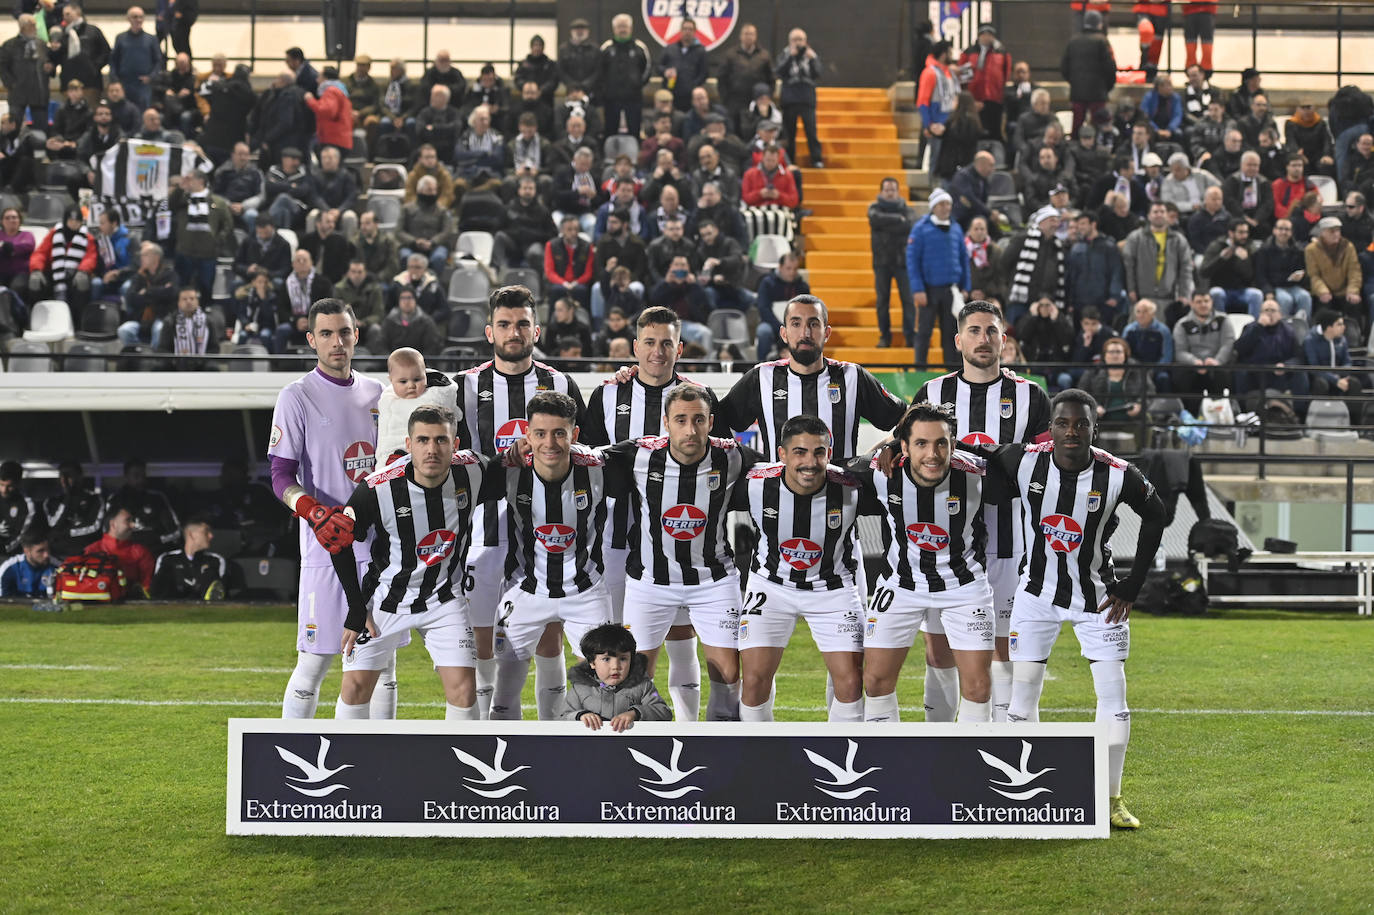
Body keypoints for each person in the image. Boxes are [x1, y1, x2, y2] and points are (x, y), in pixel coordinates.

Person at [983, 388, 1165, 830]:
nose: (1071, 431)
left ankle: (1111, 798)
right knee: (1021, 699)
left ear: (1093, 428)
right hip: (1034, 597)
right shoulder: (1024, 460)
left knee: (1115, 700)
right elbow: (985, 459)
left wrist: (1134, 584)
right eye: (1063, 423)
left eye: (1081, 424)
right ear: (1051, 427)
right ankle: (1019, 796)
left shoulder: (1118, 474)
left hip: (1098, 600)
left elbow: (1157, 513)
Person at [455, 285, 584, 719]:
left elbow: (588, 451)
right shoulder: (465, 386)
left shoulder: (561, 382)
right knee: (485, 638)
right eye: (506, 325)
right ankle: (488, 735)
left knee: (548, 635)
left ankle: (554, 736)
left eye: (522, 324)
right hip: (486, 532)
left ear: (536, 329)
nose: (514, 332)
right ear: (490, 331)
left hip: (546, 530)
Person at [269, 298, 399, 720]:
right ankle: (287, 761)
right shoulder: (297, 396)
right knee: (314, 663)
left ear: (356, 335)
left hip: (381, 549)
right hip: (326, 549)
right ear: (311, 341)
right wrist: (312, 510)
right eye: (326, 334)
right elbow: (280, 474)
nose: (336, 342)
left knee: (383, 667)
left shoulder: (381, 392)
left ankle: (380, 765)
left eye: (344, 332)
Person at [599, 384, 759, 722]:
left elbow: (783, 471)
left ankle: (719, 751)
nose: (691, 429)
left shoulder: (733, 456)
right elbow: (585, 457)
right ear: (666, 423)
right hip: (650, 582)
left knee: (729, 675)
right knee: (632, 680)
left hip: (714, 580)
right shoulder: (639, 455)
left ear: (711, 422)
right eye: (681, 420)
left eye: (699, 419)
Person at [580, 306, 705, 717]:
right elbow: (590, 464)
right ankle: (614, 724)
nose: (657, 351)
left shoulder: (697, 398)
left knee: (682, 639)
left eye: (666, 342)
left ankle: (688, 730)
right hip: (615, 539)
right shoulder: (607, 394)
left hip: (678, 541)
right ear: (635, 347)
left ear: (679, 348)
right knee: (617, 645)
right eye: (649, 343)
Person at [333, 404, 495, 720]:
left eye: (440, 440)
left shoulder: (474, 470)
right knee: (354, 689)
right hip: (384, 600)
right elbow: (337, 542)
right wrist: (355, 608)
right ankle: (350, 767)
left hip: (444, 599)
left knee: (464, 691)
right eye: (422, 440)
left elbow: (511, 469)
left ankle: (460, 767)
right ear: (409, 445)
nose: (431, 449)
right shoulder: (376, 489)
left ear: (456, 445)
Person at [851, 403, 998, 723]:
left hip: (964, 587)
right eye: (921, 443)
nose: (932, 453)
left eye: (941, 443)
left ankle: (964, 768)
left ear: (953, 444)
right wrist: (887, 444)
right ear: (903, 446)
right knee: (875, 681)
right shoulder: (880, 470)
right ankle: (885, 765)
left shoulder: (980, 472)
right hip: (900, 585)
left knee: (978, 686)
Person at [726, 415, 865, 721]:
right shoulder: (754, 483)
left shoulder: (853, 486)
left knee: (852, 682)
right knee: (753, 681)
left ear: (829, 453)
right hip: (771, 587)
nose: (810, 462)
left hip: (832, 589)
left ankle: (842, 758)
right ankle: (760, 758)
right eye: (800, 452)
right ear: (782, 454)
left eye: (819, 452)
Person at [721, 295, 908, 464]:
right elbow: (717, 421)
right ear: (783, 333)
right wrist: (750, 462)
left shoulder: (852, 376)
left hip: (840, 497)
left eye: (813, 324)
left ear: (826, 333)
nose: (805, 333)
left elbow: (907, 419)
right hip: (775, 498)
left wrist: (881, 452)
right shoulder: (761, 377)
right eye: (796, 324)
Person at [906, 188, 971, 368]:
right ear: (934, 207)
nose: (946, 208)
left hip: (951, 290)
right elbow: (912, 261)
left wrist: (966, 286)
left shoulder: (956, 228)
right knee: (924, 332)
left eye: (948, 204)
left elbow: (964, 259)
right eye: (942, 204)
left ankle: (952, 372)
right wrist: (918, 289)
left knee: (951, 333)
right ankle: (920, 370)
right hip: (928, 289)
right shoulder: (920, 229)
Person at [562, 623, 672, 729]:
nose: (615, 666)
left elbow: (663, 711)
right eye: (606, 659)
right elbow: (563, 717)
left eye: (623, 659)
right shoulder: (580, 689)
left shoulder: (643, 686)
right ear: (592, 662)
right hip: (592, 745)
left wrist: (635, 713)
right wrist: (580, 715)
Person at [868, 177, 917, 350]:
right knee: (882, 301)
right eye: (887, 189)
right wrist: (898, 220)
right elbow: (875, 220)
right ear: (881, 191)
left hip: (902, 262)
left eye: (893, 189)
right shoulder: (874, 208)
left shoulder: (908, 211)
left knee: (908, 301)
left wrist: (887, 224)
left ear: (898, 191)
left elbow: (909, 226)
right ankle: (884, 336)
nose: (890, 192)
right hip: (881, 262)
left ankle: (910, 337)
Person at [169, 168, 233, 298]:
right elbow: (170, 204)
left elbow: (227, 224)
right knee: (182, 286)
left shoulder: (217, 202)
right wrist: (180, 187)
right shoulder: (182, 199)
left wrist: (217, 240)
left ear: (201, 181)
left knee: (206, 287)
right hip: (185, 251)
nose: (187, 181)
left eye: (190, 178)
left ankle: (205, 312)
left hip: (208, 253)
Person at [1234, 297, 1308, 405]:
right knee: (1240, 371)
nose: (1269, 314)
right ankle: (1242, 414)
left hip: (1277, 374)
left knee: (1300, 374)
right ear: (1260, 314)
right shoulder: (1250, 327)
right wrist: (1259, 327)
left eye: (1273, 311)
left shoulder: (1288, 332)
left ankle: (1300, 415)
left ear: (1280, 314)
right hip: (1254, 373)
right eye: (1266, 311)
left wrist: (1285, 365)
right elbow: (1239, 348)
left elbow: (1298, 357)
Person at [1124, 201, 1195, 312]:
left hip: (1169, 296)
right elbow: (1129, 266)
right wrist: (1131, 289)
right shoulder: (1135, 238)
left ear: (1167, 215)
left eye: (1162, 211)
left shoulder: (1178, 240)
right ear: (1148, 216)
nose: (1159, 214)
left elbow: (1186, 268)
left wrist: (1184, 294)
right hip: (1142, 296)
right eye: (1155, 212)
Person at [1002, 206, 1065, 327]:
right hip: (1020, 299)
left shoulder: (1057, 246)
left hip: (1045, 302)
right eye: (1052, 220)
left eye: (1057, 220)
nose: (1056, 224)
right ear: (1041, 221)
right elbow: (1005, 263)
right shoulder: (1023, 239)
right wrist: (1009, 284)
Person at [1172, 290, 1235, 411]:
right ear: (1192, 303)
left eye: (1206, 301)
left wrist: (1217, 361)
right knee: (1181, 376)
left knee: (1224, 374)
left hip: (1217, 366)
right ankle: (1191, 418)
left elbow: (1227, 345)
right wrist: (1195, 362)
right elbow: (1180, 351)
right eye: (1199, 302)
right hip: (1193, 366)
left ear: (1211, 302)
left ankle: (1220, 418)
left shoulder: (1224, 320)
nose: (1203, 305)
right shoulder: (1182, 324)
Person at [1066, 211, 1127, 327]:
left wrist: (1114, 296)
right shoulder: (1076, 248)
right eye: (1078, 224)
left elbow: (1116, 272)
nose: (1080, 228)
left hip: (1102, 301)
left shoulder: (1108, 246)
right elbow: (1072, 276)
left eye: (1083, 224)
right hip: (1080, 301)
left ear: (1093, 225)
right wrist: (1070, 301)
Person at [1060, 10, 1116, 133]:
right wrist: (1107, 87)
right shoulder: (1102, 41)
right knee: (1099, 126)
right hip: (1098, 93)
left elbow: (1064, 67)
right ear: (1099, 24)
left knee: (1077, 126)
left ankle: (1075, 149)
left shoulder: (1073, 41)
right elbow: (1110, 68)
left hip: (1077, 93)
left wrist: (1075, 82)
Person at [1081, 336, 1156, 426]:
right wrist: (1094, 406)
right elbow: (1082, 392)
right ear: (1105, 355)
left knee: (1147, 417)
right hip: (1101, 419)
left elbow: (1150, 391)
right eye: (1111, 352)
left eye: (1118, 352)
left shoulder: (1137, 370)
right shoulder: (1093, 371)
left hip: (1132, 418)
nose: (1115, 355)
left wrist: (1139, 405)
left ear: (1125, 355)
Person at [1304, 216, 1363, 330]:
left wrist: (1353, 290)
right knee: (1323, 307)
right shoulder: (1311, 250)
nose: (1336, 234)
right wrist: (1322, 291)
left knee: (1354, 303)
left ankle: (1356, 337)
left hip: (1344, 290)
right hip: (1325, 290)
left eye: (1338, 230)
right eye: (1332, 231)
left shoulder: (1348, 246)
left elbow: (1354, 271)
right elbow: (1314, 274)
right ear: (1322, 233)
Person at [598, 13, 651, 136]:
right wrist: (607, 88)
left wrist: (637, 85)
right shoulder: (606, 48)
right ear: (614, 29)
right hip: (611, 99)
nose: (622, 29)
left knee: (634, 130)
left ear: (630, 28)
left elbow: (647, 69)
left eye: (625, 26)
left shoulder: (640, 47)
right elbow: (599, 71)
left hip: (633, 99)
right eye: (619, 26)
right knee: (610, 131)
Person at [777, 28, 823, 168]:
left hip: (807, 99)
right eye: (795, 40)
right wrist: (791, 57)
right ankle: (790, 160)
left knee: (811, 131)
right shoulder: (784, 54)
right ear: (789, 41)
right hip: (790, 100)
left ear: (805, 41)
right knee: (790, 133)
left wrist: (813, 59)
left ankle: (816, 159)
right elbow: (779, 72)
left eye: (800, 40)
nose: (798, 43)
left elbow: (818, 73)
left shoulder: (811, 55)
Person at [150, 516, 227, 600]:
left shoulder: (215, 560)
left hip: (205, 608)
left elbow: (220, 589)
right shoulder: (167, 559)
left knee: (210, 575)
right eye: (206, 532)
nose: (211, 536)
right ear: (191, 535)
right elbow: (157, 589)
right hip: (171, 607)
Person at [83, 507, 155, 595]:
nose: (133, 525)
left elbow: (148, 586)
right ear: (113, 524)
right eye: (127, 521)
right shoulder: (92, 551)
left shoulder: (141, 551)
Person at [957, 25, 1011, 142]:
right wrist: (969, 99)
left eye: (990, 35)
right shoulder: (968, 52)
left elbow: (1006, 73)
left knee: (994, 132)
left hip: (994, 98)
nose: (987, 37)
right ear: (979, 36)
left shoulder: (1001, 53)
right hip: (974, 98)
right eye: (984, 34)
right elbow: (961, 77)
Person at [274, 249, 334, 352]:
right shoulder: (286, 283)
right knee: (282, 330)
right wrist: (296, 320)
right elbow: (281, 309)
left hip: (316, 322)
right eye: (298, 260)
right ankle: (279, 365)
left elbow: (327, 307)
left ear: (311, 263)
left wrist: (309, 320)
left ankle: (321, 365)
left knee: (322, 332)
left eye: (304, 260)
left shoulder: (324, 282)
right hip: (293, 322)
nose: (301, 263)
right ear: (293, 264)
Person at [43, 461, 104, 560]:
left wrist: (67, 532)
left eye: (69, 475)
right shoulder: (53, 501)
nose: (64, 480)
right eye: (61, 476)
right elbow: (53, 524)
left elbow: (95, 526)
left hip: (86, 554)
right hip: (58, 555)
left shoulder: (94, 499)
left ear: (79, 476)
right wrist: (68, 498)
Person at [1201, 219, 1263, 316]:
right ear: (1231, 233)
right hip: (1222, 289)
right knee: (1216, 293)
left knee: (1256, 295)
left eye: (1246, 232)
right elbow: (1204, 272)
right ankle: (1221, 325)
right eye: (1241, 232)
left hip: (1242, 291)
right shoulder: (1217, 246)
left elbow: (1251, 276)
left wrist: (1245, 261)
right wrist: (1221, 258)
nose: (1244, 236)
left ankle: (1254, 328)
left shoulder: (1250, 247)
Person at [396, 175, 456, 275]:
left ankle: (434, 284)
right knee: (405, 256)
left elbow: (447, 231)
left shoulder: (442, 211)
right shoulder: (407, 209)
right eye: (429, 190)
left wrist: (432, 242)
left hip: (436, 246)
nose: (432, 193)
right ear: (419, 191)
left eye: (434, 190)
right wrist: (415, 241)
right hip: (411, 245)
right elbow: (398, 231)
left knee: (439, 257)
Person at [0, 15, 50, 132]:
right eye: (32, 25)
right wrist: (11, 84)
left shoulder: (41, 45)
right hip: (18, 93)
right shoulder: (9, 45)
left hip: (39, 94)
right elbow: (2, 66)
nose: (35, 28)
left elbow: (50, 62)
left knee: (41, 128)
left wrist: (50, 68)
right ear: (23, 27)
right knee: (14, 127)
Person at [1304, 310, 1364, 398]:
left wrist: (1342, 375)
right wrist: (1335, 380)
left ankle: (1352, 412)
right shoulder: (1310, 341)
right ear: (1329, 328)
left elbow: (1347, 361)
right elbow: (1314, 368)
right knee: (1321, 384)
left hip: (1339, 376)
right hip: (1321, 377)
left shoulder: (1342, 339)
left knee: (1354, 383)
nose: (1344, 327)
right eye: (1339, 324)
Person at [110, 6, 160, 110]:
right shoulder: (120, 38)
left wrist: (151, 77)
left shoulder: (151, 39)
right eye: (135, 17)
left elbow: (158, 61)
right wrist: (115, 80)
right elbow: (113, 60)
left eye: (141, 17)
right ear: (128, 19)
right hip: (124, 83)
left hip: (143, 84)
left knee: (143, 112)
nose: (138, 20)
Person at [544, 213, 595, 312]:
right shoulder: (551, 245)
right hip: (559, 283)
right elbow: (549, 272)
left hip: (579, 283)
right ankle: (552, 324)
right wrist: (564, 283)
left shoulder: (587, 246)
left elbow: (588, 273)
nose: (573, 232)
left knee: (581, 290)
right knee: (556, 290)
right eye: (569, 229)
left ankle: (586, 323)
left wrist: (576, 282)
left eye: (576, 229)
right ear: (562, 230)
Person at [1121, 298, 1175, 391]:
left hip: (1156, 368)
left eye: (1145, 312)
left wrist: (1153, 370)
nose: (1141, 315)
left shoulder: (1163, 331)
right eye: (1138, 312)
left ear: (1153, 313)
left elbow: (1167, 356)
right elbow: (1124, 353)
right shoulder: (1129, 330)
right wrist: (1137, 369)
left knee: (1164, 378)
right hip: (1134, 367)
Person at [657, 17, 706, 112]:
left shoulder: (701, 51)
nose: (687, 32)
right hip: (671, 95)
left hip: (691, 97)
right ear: (680, 31)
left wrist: (692, 87)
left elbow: (704, 73)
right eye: (685, 29)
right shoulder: (670, 48)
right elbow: (658, 67)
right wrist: (665, 71)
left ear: (695, 31)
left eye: (690, 29)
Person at [0, 530, 59, 597]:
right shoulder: (9, 568)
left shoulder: (58, 567)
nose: (46, 555)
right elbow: (2, 603)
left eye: (48, 549)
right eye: (40, 551)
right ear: (27, 551)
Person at [0, 462, 34, 556]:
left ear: (18, 483)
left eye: (9, 486)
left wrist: (3, 549)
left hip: (10, 555)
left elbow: (21, 536)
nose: (4, 490)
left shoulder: (27, 505)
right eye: (1, 485)